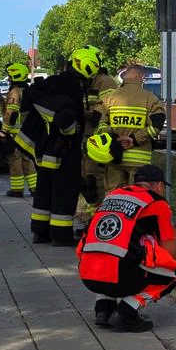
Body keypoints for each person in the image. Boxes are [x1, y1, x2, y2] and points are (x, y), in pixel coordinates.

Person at [77, 165, 176, 332]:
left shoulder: (112, 196)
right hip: (118, 277)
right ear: (158, 185)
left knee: (113, 250)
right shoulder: (156, 202)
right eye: (162, 187)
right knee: (175, 272)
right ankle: (128, 312)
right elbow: (170, 250)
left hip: (87, 273)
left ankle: (103, 308)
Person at [15, 47, 92, 245]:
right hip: (64, 151)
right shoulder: (72, 88)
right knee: (64, 191)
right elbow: (65, 119)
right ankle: (60, 235)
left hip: (45, 149)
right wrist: (72, 130)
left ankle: (40, 232)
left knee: (44, 189)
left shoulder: (52, 83)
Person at [95, 64, 166, 192]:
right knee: (137, 198)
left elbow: (100, 125)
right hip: (139, 161)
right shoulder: (150, 98)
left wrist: (116, 139)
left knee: (114, 197)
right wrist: (134, 139)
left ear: (125, 77)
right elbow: (156, 125)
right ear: (140, 76)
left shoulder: (109, 98)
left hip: (114, 157)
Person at [75, 49, 119, 234]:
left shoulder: (106, 82)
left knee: (96, 179)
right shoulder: (90, 82)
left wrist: (81, 114)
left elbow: (104, 111)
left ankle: (98, 222)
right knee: (87, 178)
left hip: (99, 139)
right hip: (88, 137)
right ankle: (91, 221)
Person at [2, 62, 37, 197]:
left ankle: (17, 190)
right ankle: (35, 189)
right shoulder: (27, 90)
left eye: (10, 76)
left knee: (15, 161)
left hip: (15, 134)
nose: (9, 79)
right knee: (28, 160)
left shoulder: (15, 92)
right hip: (28, 133)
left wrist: (4, 131)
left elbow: (11, 113)